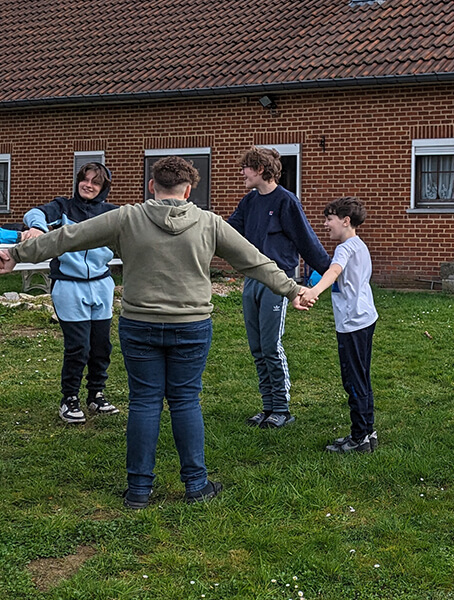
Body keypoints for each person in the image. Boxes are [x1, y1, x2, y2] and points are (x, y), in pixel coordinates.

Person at [0, 156, 311, 508]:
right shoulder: (208, 222)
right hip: (191, 326)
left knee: (145, 403)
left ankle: (138, 491)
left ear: (152, 186)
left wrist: (17, 253)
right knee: (185, 401)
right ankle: (196, 485)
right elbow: (254, 260)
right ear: (189, 189)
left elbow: (68, 237)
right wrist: (292, 289)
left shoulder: (127, 217)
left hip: (140, 325)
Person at [227, 147, 331, 429]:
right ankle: (267, 405)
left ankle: (282, 409)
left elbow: (307, 241)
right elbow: (227, 231)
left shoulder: (286, 201)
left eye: (246, 168)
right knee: (257, 347)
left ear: (260, 169)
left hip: (277, 280)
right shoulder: (249, 202)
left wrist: (331, 274)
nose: (242, 174)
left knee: (272, 345)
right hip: (251, 280)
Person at [20, 163, 120, 423]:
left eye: (95, 183)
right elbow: (34, 213)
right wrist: (39, 229)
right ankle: (70, 399)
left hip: (101, 284)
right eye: (84, 180)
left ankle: (96, 395)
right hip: (68, 285)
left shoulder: (112, 213)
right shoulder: (63, 207)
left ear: (103, 188)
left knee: (101, 346)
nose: (88, 185)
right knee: (78, 346)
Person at [301, 197, 380, 453]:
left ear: (346, 221)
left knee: (353, 380)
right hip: (366, 319)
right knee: (362, 376)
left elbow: (334, 272)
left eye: (329, 219)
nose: (325, 224)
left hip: (353, 323)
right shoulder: (360, 245)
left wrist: (314, 292)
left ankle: (358, 438)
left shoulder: (345, 249)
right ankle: (368, 432)